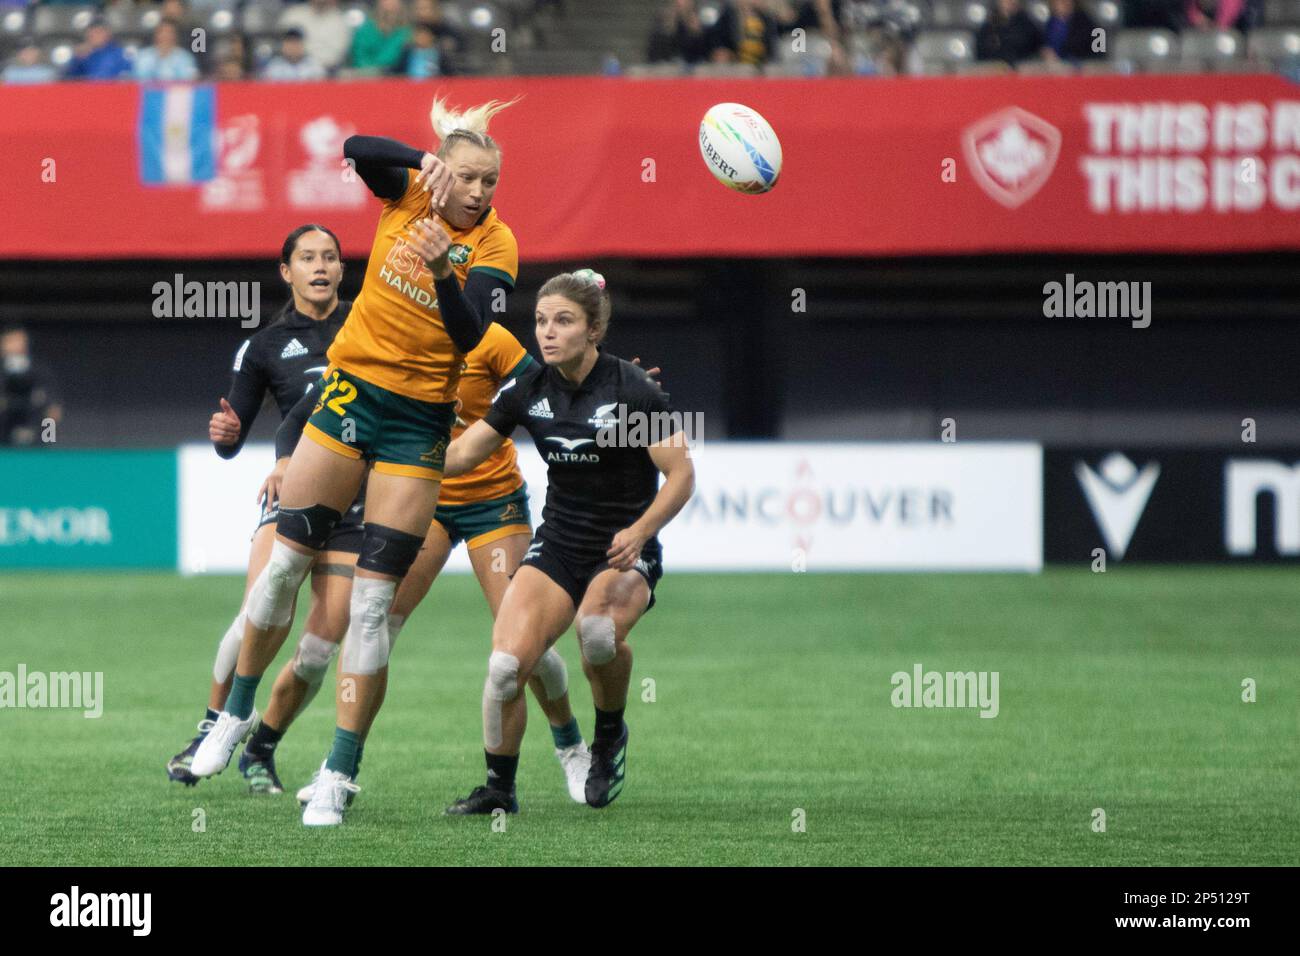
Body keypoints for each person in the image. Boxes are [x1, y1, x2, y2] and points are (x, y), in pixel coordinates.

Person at [186, 95, 521, 830]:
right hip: (349, 397)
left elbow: (470, 338)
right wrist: (416, 159)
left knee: (371, 607)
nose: (477, 192)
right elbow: (354, 144)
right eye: (466, 177)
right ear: (442, 174)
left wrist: (440, 271)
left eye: (488, 182)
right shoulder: (408, 192)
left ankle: (339, 772)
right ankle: (231, 719)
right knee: (282, 567)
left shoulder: (496, 248)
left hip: (417, 423)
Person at [272, 324, 640, 813]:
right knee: (375, 620)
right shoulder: (389, 336)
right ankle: (340, 766)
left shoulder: (489, 340)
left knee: (522, 645)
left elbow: (552, 388)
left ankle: (570, 745)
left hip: (493, 502)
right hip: (420, 497)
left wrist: (626, 391)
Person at [443, 269, 695, 815]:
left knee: (598, 633)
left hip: (622, 547)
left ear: (594, 329)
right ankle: (498, 790)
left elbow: (681, 476)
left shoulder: (632, 389)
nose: (547, 332)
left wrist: (641, 532)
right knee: (506, 666)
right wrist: (382, 455)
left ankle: (607, 741)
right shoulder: (529, 388)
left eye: (563, 321)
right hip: (558, 544)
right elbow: (462, 455)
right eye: (539, 321)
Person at [165, 225, 360, 794]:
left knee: (322, 646)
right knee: (258, 609)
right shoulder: (264, 345)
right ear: (286, 271)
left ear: (342, 270)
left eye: (330, 257)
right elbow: (232, 435)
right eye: (307, 258)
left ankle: (261, 746)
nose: (319, 266)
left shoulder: (370, 322)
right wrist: (225, 433)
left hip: (361, 505)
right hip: (295, 491)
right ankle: (212, 725)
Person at [0, 326, 61, 446]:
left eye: (19, 341)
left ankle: (45, 448)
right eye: (10, 341)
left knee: (49, 412)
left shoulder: (39, 370)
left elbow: (53, 407)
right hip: (4, 430)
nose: (15, 346)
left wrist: (48, 439)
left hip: (34, 427)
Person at [279, 0, 355, 73]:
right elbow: (285, 45)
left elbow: (340, 53)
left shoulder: (340, 20)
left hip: (332, 72)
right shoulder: (293, 15)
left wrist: (317, 68)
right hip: (295, 69)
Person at [351, 0, 412, 74]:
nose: (390, 4)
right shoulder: (365, 30)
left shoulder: (407, 32)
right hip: (366, 76)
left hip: (396, 77)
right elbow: (359, 58)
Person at [976, 0, 1044, 66]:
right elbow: (982, 55)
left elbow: (1040, 48)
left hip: (1023, 73)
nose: (1012, 2)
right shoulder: (988, 28)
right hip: (995, 73)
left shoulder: (1028, 25)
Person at [65, 16, 132, 80]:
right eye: (91, 33)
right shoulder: (83, 55)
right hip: (88, 90)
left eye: (98, 32)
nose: (94, 36)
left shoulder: (119, 54)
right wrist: (77, 60)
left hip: (113, 89)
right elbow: (70, 79)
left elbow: (127, 76)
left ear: (108, 34)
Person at [133, 19, 199, 82]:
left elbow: (189, 80)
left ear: (175, 36)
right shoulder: (143, 56)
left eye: (169, 32)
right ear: (156, 35)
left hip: (176, 92)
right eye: (162, 32)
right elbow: (139, 79)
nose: (165, 35)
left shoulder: (185, 57)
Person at [1041, 0, 1099, 64]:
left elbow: (1082, 46)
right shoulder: (1051, 22)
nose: (1062, 5)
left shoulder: (1083, 21)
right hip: (1051, 65)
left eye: (1065, 2)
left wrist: (1057, 55)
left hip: (1078, 64)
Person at [262, 28, 327, 81]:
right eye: (289, 42)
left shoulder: (314, 65)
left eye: (296, 42)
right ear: (283, 46)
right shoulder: (274, 66)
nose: (293, 46)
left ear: (303, 45)